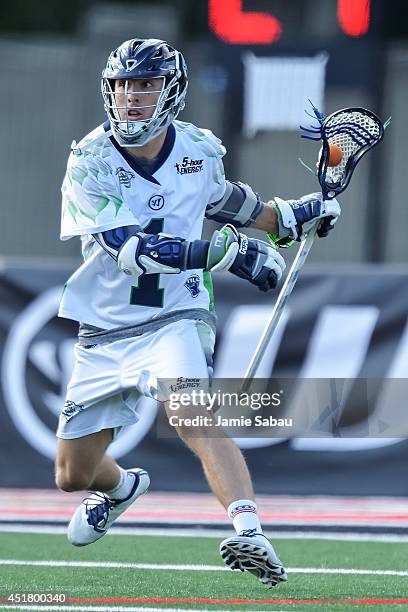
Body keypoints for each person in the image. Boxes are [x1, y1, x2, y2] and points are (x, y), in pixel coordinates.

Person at [55, 38, 340, 588]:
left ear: (171, 92)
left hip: (176, 317)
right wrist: (223, 254)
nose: (130, 98)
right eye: (122, 85)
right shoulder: (89, 159)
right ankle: (120, 489)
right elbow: (129, 249)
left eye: (144, 85)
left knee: (192, 413)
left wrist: (301, 213)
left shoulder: (196, 152)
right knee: (73, 474)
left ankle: (249, 530)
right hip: (105, 327)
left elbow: (237, 206)